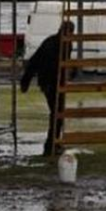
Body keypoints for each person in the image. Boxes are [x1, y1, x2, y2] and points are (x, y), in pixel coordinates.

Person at [21, 21, 74, 156]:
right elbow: (37, 61)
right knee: (57, 113)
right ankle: (51, 144)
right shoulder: (54, 44)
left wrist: (26, 80)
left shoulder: (60, 43)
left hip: (54, 81)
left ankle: (53, 143)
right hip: (50, 82)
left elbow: (35, 61)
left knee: (57, 113)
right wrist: (26, 80)